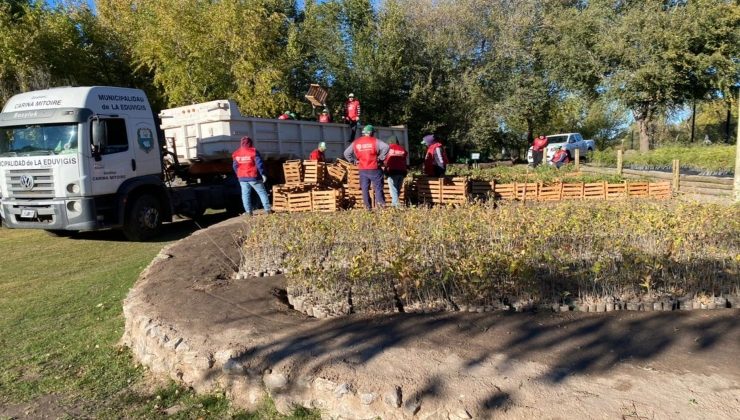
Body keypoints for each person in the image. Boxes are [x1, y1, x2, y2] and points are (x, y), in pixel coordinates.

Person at [343, 125, 389, 210]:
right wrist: (381, 158)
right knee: (378, 188)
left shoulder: (356, 142)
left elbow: (346, 153)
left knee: (365, 189)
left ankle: (367, 207)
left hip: (363, 169)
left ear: (364, 133)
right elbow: (386, 147)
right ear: (371, 133)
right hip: (374, 168)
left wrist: (353, 161)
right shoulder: (375, 141)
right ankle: (381, 207)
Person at [232, 136, 271, 215]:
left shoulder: (236, 153)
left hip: (242, 178)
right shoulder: (253, 151)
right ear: (250, 143)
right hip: (253, 176)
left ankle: (248, 212)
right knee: (262, 192)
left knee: (245, 194)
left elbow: (235, 166)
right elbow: (259, 164)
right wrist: (263, 174)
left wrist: (239, 174)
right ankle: (268, 210)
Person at [384, 135, 408, 208]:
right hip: (402, 171)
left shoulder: (388, 149)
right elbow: (405, 158)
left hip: (392, 171)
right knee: (397, 188)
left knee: (393, 189)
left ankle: (397, 205)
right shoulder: (402, 149)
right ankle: (393, 205)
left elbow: (385, 160)